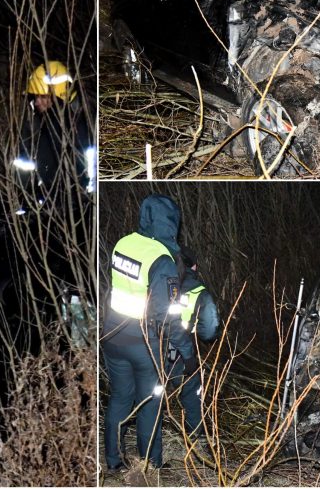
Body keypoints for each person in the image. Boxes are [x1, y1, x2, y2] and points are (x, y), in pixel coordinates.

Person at [102, 194, 197, 471]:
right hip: (144, 344)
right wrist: (187, 353)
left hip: (113, 335)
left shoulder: (123, 243)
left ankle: (113, 461)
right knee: (150, 404)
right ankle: (151, 465)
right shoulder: (163, 260)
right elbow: (166, 316)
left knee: (120, 397)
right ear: (170, 223)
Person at [11, 60, 95, 214]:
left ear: (58, 96)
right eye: (35, 97)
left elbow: (82, 176)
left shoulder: (74, 129)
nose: (36, 102)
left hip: (73, 212)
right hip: (45, 210)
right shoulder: (40, 125)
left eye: (42, 97)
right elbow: (26, 168)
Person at [165, 246, 219, 451]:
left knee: (153, 392)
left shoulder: (161, 282)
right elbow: (210, 330)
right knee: (192, 390)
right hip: (182, 352)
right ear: (194, 266)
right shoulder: (198, 292)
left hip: (153, 347)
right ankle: (197, 438)